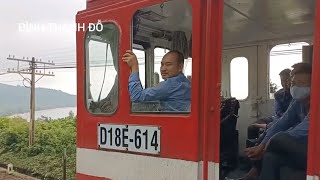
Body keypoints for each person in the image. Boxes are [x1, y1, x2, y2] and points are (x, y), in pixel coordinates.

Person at [245, 62, 312, 180]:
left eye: (302, 84)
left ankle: (254, 168)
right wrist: (263, 144)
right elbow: (282, 122)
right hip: (302, 148)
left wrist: (265, 146)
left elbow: (298, 132)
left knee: (280, 138)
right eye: (294, 83)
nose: (296, 87)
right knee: (271, 157)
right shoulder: (297, 102)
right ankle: (254, 171)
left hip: (314, 151)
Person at [122, 50, 191, 112]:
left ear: (180, 67)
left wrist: (134, 67)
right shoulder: (186, 83)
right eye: (162, 64)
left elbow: (137, 96)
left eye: (168, 64)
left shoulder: (170, 85)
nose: (163, 69)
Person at [247, 69, 292, 140]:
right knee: (252, 128)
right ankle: (252, 147)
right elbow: (278, 111)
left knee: (269, 130)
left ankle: (260, 144)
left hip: (288, 120)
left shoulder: (297, 95)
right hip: (276, 117)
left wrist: (269, 125)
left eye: (286, 80)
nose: (284, 83)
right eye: (282, 81)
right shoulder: (278, 94)